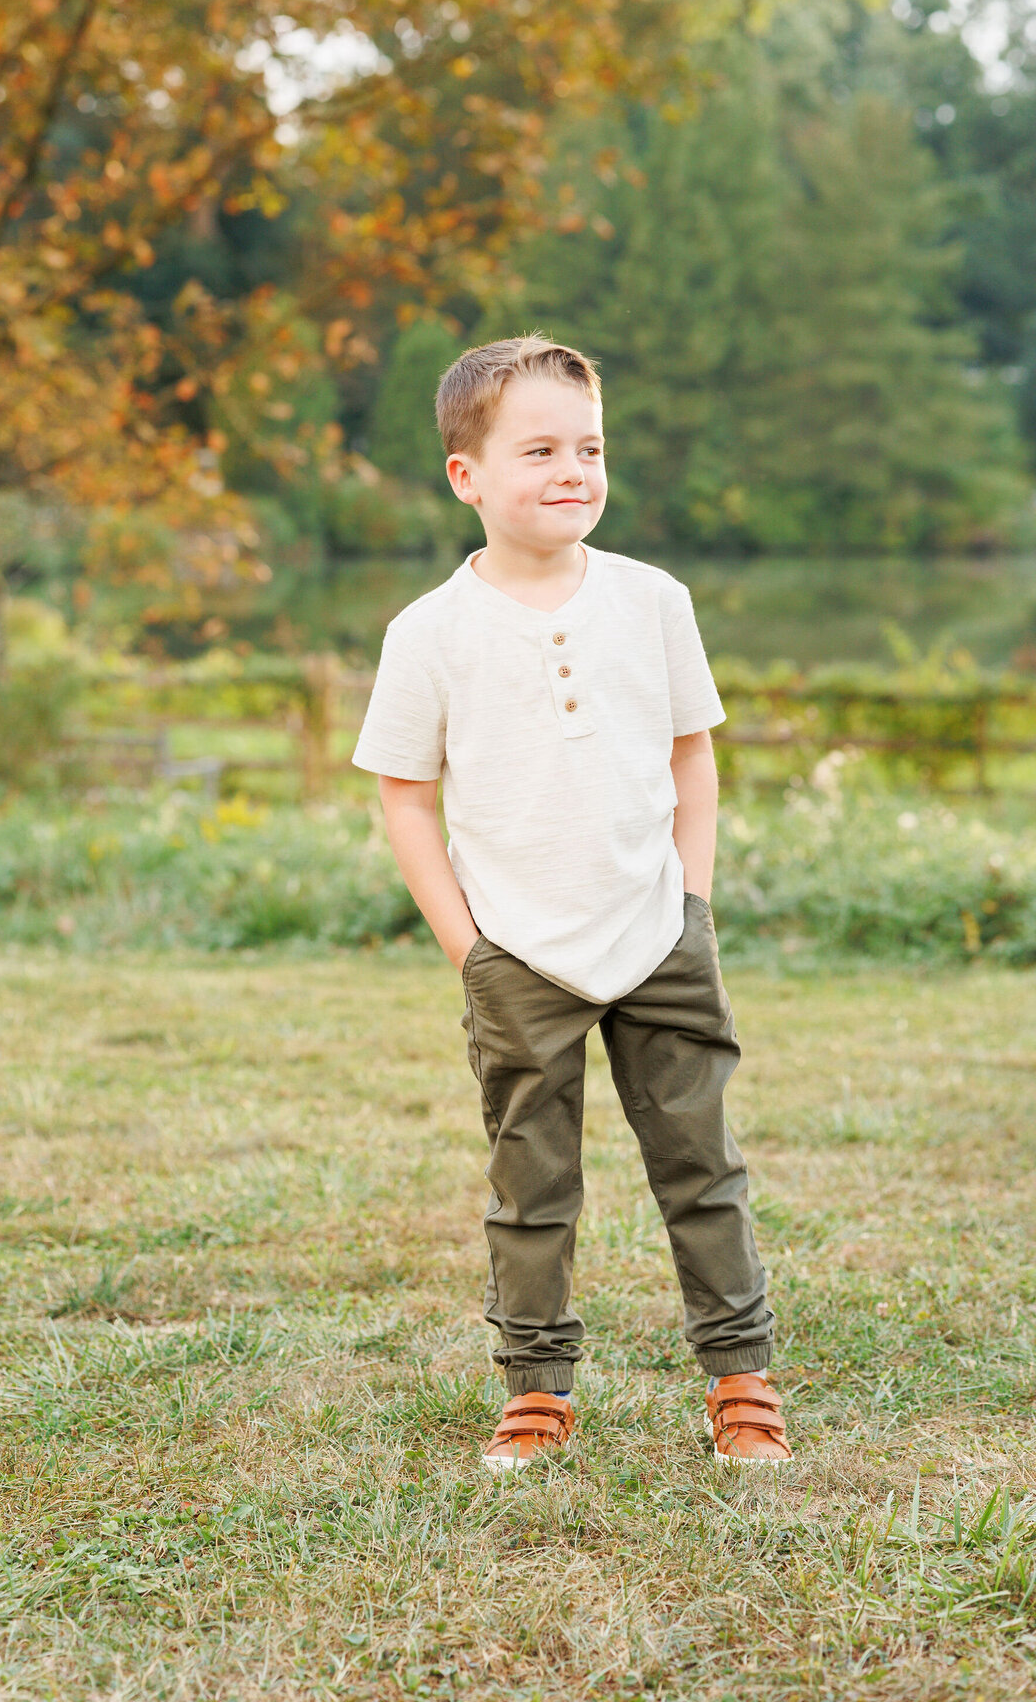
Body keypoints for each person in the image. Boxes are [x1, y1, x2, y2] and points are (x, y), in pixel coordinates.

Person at [352, 335, 791, 1472]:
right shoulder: (428, 634)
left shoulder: (653, 601)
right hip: (519, 958)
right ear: (468, 476)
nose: (572, 470)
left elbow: (695, 758)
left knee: (702, 1166)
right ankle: (536, 1389)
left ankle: (740, 1379)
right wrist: (472, 951)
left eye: (588, 447)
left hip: (658, 938)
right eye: (538, 449)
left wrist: (690, 902)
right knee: (531, 1186)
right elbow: (405, 799)